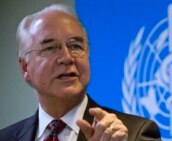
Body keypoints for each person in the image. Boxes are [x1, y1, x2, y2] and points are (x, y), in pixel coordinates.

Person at [0, 4, 161, 141]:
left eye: (75, 46)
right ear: (25, 67)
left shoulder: (134, 134)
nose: (67, 57)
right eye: (50, 48)